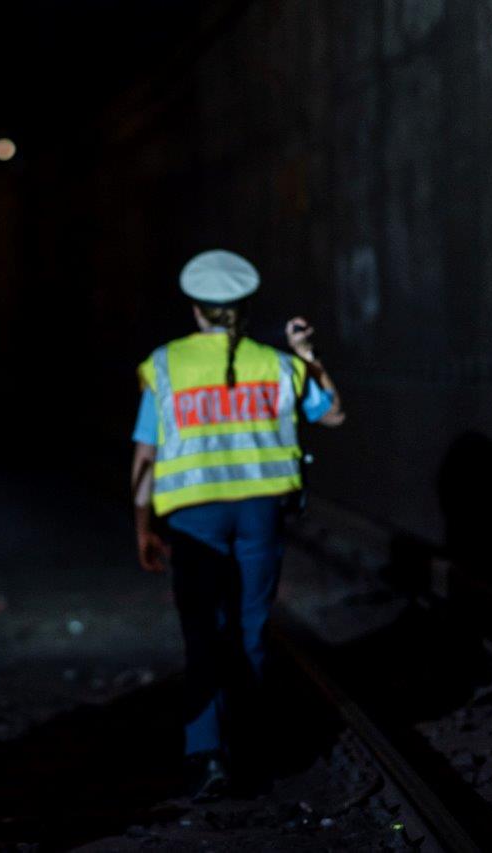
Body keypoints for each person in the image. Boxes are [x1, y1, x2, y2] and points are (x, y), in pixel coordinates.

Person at [129, 250, 344, 801]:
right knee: (249, 631)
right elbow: (332, 413)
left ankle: (206, 757)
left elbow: (146, 453)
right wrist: (306, 352)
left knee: (204, 631)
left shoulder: (166, 364)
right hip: (259, 513)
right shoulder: (277, 365)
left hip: (195, 517)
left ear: (197, 309)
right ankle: (249, 750)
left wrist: (142, 524)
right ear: (243, 308)